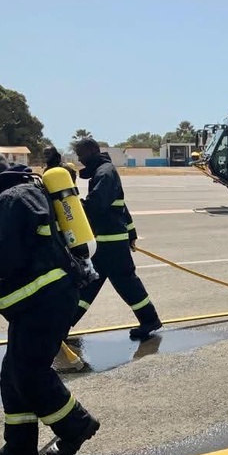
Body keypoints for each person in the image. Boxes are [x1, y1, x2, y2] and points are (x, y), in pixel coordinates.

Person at [0, 147, 100, 455]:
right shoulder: (29, 190)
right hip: (37, 303)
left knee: (30, 375)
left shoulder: (13, 198)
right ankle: (19, 451)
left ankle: (76, 424)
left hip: (44, 303)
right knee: (13, 376)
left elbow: (7, 256)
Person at [72, 137, 162, 340]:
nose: (80, 160)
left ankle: (63, 325)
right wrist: (131, 233)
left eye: (81, 155)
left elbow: (97, 205)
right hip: (107, 241)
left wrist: (71, 208)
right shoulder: (103, 172)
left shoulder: (104, 173)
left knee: (97, 283)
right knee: (99, 283)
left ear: (92, 151)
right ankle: (149, 319)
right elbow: (122, 206)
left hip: (109, 242)